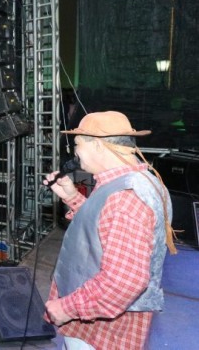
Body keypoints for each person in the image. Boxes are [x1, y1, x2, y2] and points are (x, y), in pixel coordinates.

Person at [44, 111, 175, 350]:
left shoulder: (125, 198)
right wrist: (73, 197)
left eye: (78, 144)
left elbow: (122, 283)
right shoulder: (132, 181)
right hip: (99, 320)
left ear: (98, 146)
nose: (75, 151)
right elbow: (103, 226)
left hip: (103, 331)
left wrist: (66, 308)